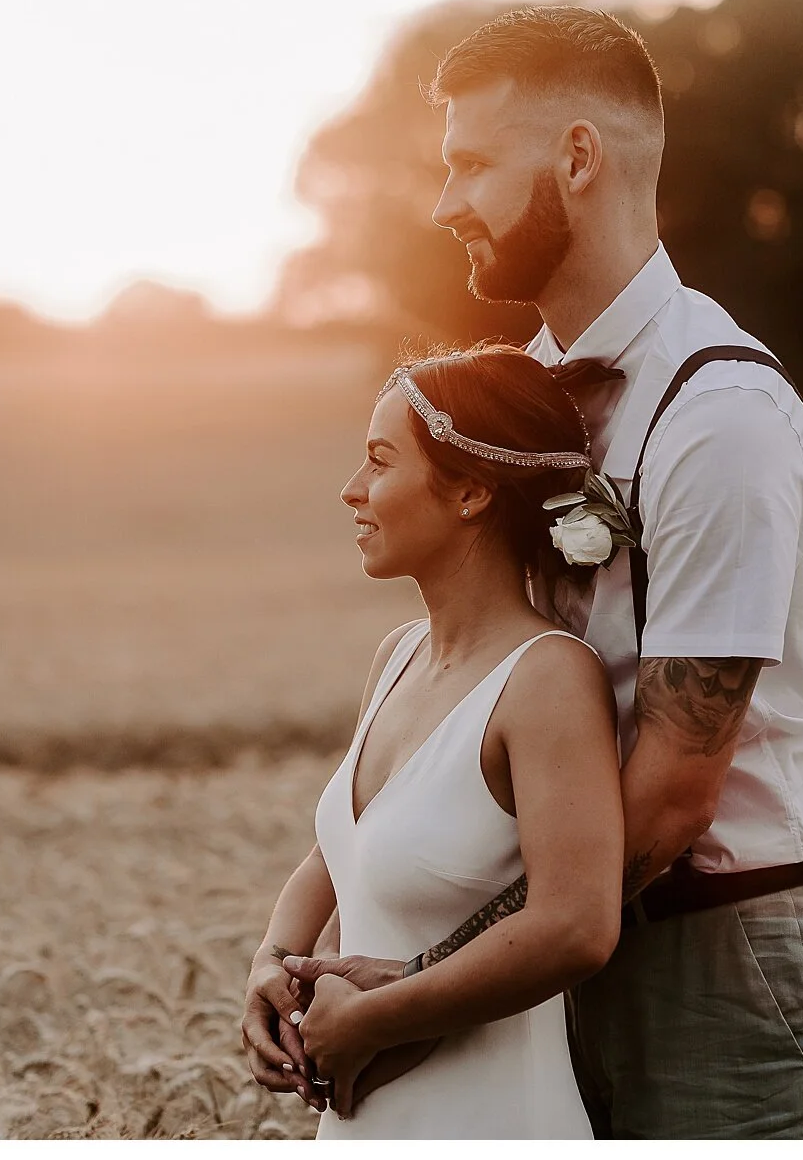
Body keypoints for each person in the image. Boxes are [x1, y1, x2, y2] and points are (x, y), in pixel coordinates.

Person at [276, 7, 803, 1138]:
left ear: (575, 157)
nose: (444, 202)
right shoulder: (530, 397)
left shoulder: (719, 418)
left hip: (722, 941)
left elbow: (667, 794)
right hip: (560, 935)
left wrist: (416, 990)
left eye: (468, 163)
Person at [240, 345, 627, 1137]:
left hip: (488, 1117)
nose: (351, 489)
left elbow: (577, 924)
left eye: (380, 462)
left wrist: (378, 1020)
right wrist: (272, 962)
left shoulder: (548, 677)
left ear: (473, 491)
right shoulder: (398, 655)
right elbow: (339, 852)